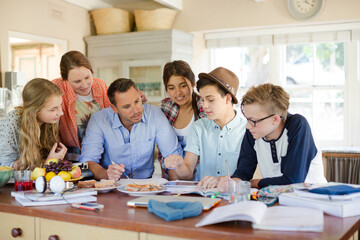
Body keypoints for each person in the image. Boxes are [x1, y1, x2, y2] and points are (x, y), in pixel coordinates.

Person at [218, 83, 327, 190]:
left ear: (275, 119)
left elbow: (293, 181)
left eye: (253, 120)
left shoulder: (297, 125)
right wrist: (235, 182)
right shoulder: (254, 131)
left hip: (313, 198)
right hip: (276, 198)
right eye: (247, 119)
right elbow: (243, 172)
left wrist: (256, 183)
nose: (247, 126)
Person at [79, 78, 183, 181]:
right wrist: (105, 174)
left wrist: (174, 192)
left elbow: (173, 156)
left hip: (146, 185)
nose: (136, 110)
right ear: (114, 108)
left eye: (137, 101)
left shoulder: (155, 115)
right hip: (112, 185)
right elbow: (87, 161)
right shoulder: (99, 120)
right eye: (127, 107)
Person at [164, 67, 246, 189]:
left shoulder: (248, 131)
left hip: (235, 198)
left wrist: (221, 181)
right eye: (202, 99)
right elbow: (187, 174)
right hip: (204, 199)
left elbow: (252, 176)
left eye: (210, 100)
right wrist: (179, 165)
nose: (205, 105)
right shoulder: (198, 128)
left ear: (228, 99)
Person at [52, 50, 111, 156]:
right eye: (77, 81)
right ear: (65, 79)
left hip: (102, 151)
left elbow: (113, 115)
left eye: (87, 77)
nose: (84, 85)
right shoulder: (57, 87)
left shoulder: (100, 85)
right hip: (71, 155)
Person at [0, 78, 67, 170]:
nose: (61, 113)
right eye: (53, 109)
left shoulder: (52, 120)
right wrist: (49, 162)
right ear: (35, 111)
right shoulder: (12, 122)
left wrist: (53, 160)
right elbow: (5, 167)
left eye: (60, 106)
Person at [158, 60, 206, 180]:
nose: (178, 92)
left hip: (201, 178)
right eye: (171, 88)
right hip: (173, 179)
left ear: (193, 83)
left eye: (183, 86)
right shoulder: (165, 107)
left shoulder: (204, 107)